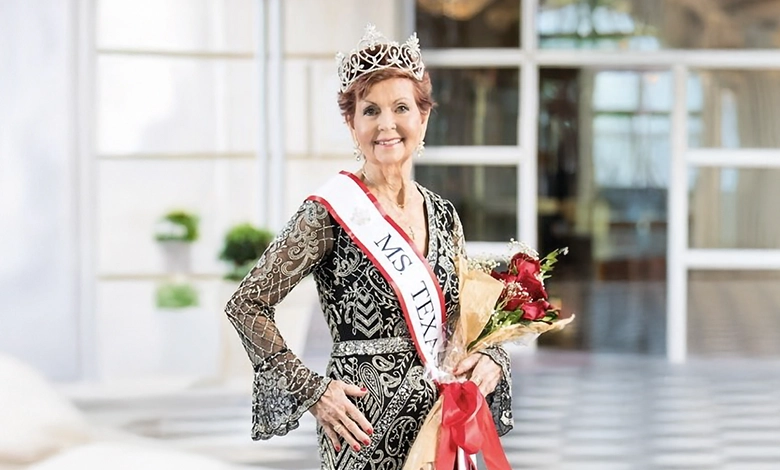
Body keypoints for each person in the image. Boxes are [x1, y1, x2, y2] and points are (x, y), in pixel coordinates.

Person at [225, 24, 513, 470]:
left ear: (424, 118)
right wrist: (313, 391)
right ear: (351, 123)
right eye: (370, 110)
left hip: (440, 418)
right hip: (361, 428)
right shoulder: (329, 212)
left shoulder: (443, 214)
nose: (386, 124)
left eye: (401, 108)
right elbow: (246, 305)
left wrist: (492, 355)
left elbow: (462, 322)